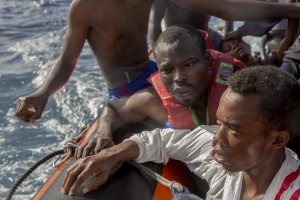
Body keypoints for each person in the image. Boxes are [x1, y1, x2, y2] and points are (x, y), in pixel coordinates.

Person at [15, 0, 300, 124]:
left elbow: (226, 6)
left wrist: (292, 9)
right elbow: (67, 61)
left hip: (157, 74)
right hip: (127, 91)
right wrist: (43, 93)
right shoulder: (85, 7)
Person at [61, 66, 300, 199]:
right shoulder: (217, 149)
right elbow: (159, 140)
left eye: (234, 129)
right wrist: (111, 155)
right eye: (219, 123)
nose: (217, 138)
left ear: (277, 139)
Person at [74, 25, 246, 159]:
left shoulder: (236, 92)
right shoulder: (154, 101)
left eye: (189, 64)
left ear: (208, 61)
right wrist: (103, 132)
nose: (179, 78)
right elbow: (114, 109)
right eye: (168, 69)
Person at [148, 0, 223, 50]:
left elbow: (229, 7)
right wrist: (159, 55)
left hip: (205, 36)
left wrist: (229, 32)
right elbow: (153, 24)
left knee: (229, 53)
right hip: (176, 40)